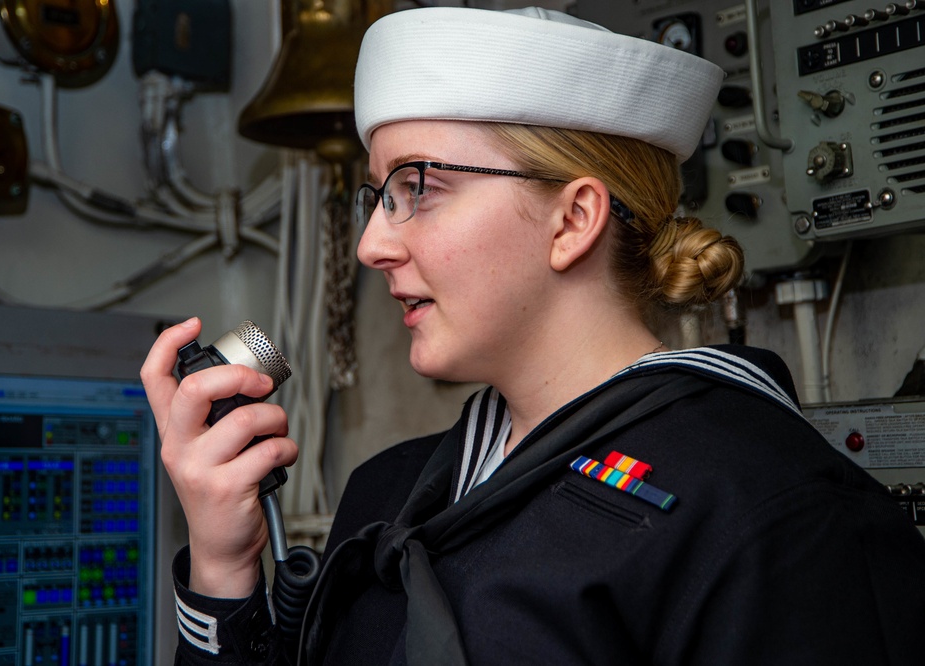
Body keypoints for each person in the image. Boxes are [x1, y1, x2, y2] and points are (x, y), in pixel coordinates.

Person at [141, 6, 925, 665]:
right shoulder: (387, 492)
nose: (371, 244)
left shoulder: (772, 518)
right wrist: (223, 563)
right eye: (376, 195)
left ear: (574, 219)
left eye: (418, 186)